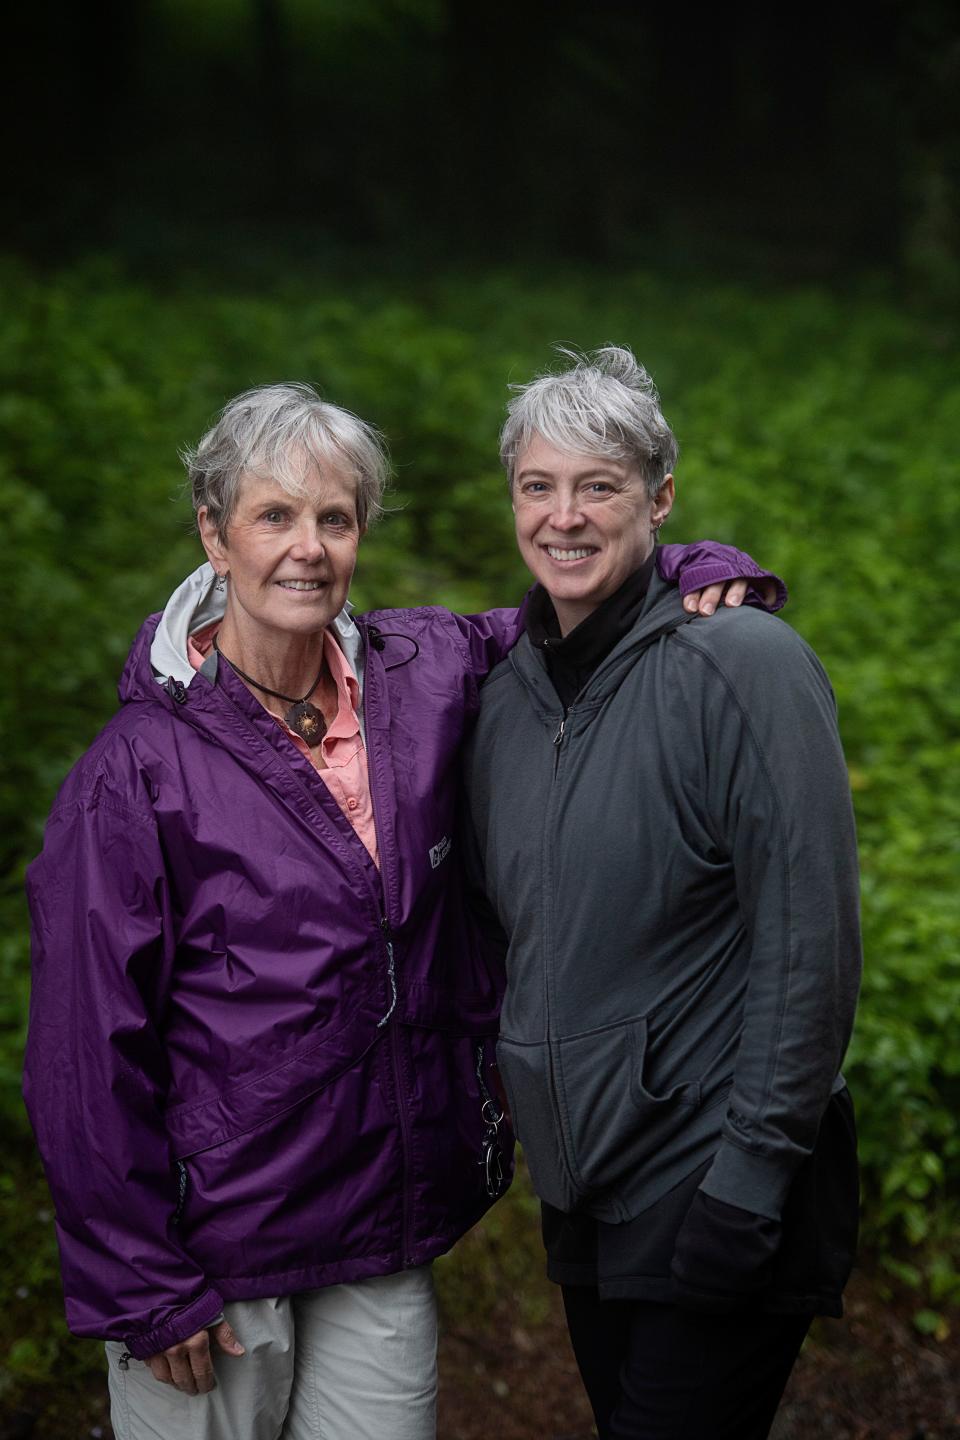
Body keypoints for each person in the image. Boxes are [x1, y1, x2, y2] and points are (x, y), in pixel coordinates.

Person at [23, 382, 780, 1440]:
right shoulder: (136, 772)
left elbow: (576, 603)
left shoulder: (423, 675)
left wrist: (697, 568)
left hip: (384, 1219)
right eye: (273, 515)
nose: (308, 549)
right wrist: (139, 1279)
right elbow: (81, 1051)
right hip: (214, 1250)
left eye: (335, 518)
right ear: (214, 531)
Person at [463, 348, 862, 1440]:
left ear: (661, 498)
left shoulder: (742, 663)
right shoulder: (502, 701)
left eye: (600, 485)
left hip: (718, 1179)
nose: (565, 516)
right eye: (538, 486)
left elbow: (810, 944)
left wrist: (752, 1178)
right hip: (585, 1185)